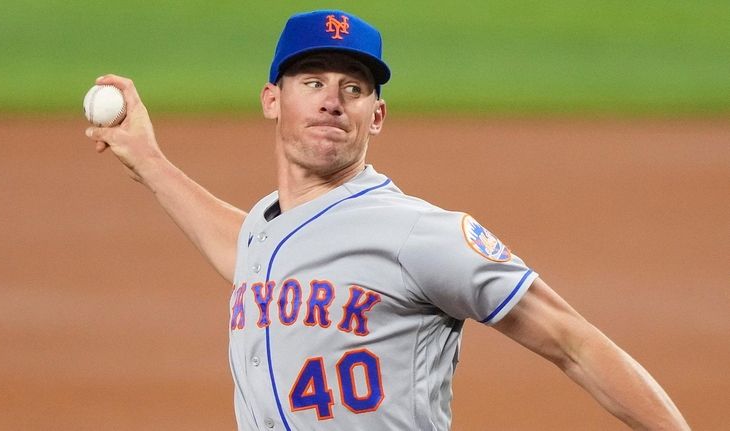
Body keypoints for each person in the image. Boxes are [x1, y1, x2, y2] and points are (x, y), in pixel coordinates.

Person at [84, 9, 690, 431]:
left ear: (377, 115)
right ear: (273, 99)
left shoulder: (418, 234)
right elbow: (247, 249)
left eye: (354, 87)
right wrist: (148, 159)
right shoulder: (267, 231)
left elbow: (572, 340)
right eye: (312, 81)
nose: (331, 100)